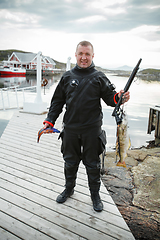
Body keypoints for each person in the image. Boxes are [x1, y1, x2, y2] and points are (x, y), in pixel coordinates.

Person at [43, 41, 130, 212]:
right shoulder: (67, 77)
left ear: (92, 56)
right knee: (70, 162)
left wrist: (120, 97)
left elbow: (111, 98)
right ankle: (69, 189)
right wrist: (49, 120)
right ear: (76, 55)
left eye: (87, 54)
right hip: (71, 129)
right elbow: (57, 101)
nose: (84, 57)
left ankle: (95, 196)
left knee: (93, 165)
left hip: (92, 130)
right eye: (81, 54)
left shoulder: (99, 77)